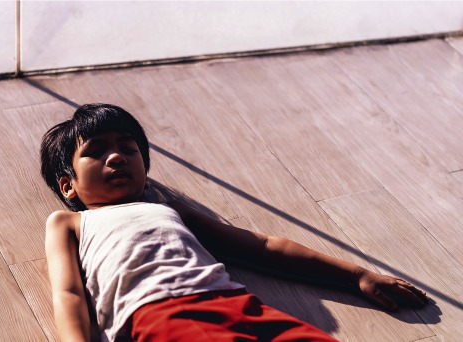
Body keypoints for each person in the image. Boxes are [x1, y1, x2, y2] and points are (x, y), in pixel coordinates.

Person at [41, 103, 429, 342]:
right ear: (68, 186)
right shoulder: (69, 224)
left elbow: (262, 247)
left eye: (128, 148)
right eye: (96, 152)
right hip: (163, 315)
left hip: (243, 306)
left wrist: (356, 275)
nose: (118, 157)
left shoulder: (170, 208)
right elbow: (69, 294)